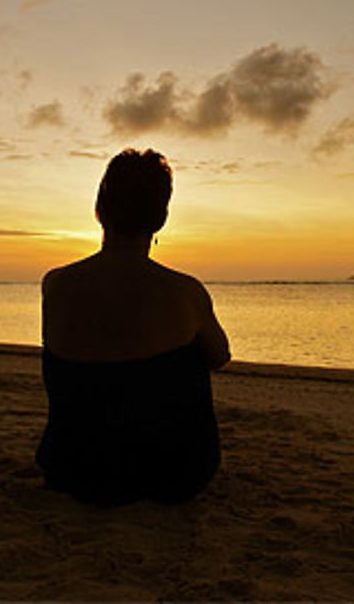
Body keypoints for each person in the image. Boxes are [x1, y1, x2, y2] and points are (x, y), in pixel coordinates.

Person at [35, 148, 230, 506]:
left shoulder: (56, 284)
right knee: (193, 351)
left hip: (71, 470)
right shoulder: (185, 291)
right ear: (161, 218)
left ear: (98, 211)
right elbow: (219, 357)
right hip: (172, 476)